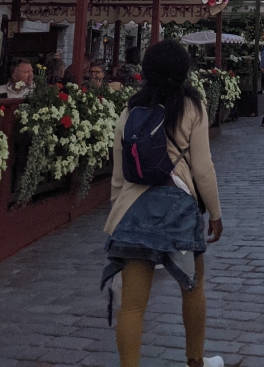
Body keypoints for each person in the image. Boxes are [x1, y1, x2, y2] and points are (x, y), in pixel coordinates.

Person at [103, 39, 224, 367]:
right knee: (193, 287)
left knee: (131, 306)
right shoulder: (191, 106)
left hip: (134, 207)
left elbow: (119, 170)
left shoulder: (130, 109)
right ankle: (196, 360)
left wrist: (120, 211)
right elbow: (203, 168)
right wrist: (215, 212)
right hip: (178, 207)